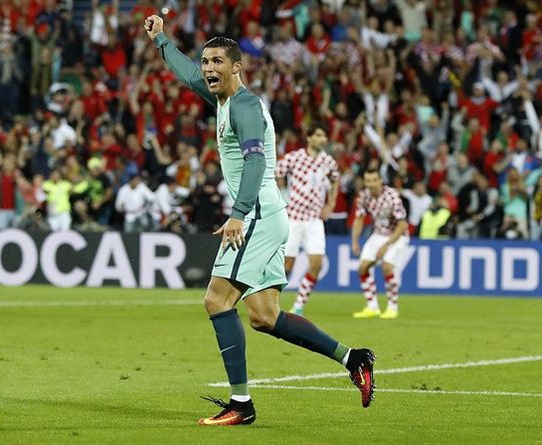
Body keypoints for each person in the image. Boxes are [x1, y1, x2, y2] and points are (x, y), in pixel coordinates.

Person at [145, 15, 375, 426]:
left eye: (217, 61)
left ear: (237, 67)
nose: (209, 68)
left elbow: (255, 161)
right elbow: (184, 73)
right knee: (265, 316)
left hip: (257, 214)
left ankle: (241, 404)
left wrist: (237, 214)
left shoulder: (246, 106)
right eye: (206, 61)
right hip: (269, 212)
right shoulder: (221, 100)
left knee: (216, 300)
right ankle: (352, 358)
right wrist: (161, 38)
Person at [275, 121, 339, 316]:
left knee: (317, 264)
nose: (322, 139)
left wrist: (331, 204)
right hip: (293, 218)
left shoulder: (328, 162)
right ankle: (270, 302)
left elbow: (335, 180)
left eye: (324, 136)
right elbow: (275, 173)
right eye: (318, 135)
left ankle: (299, 305)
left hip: (314, 220)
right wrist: (278, 198)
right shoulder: (295, 157)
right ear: (309, 137)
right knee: (286, 266)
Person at [351, 168, 409, 319]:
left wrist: (386, 245)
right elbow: (359, 219)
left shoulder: (391, 196)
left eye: (374, 180)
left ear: (380, 181)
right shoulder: (364, 196)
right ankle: (372, 307)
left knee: (387, 266)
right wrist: (355, 241)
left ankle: (392, 307)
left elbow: (402, 224)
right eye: (368, 181)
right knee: (363, 268)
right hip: (378, 234)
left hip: (398, 235)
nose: (371, 184)